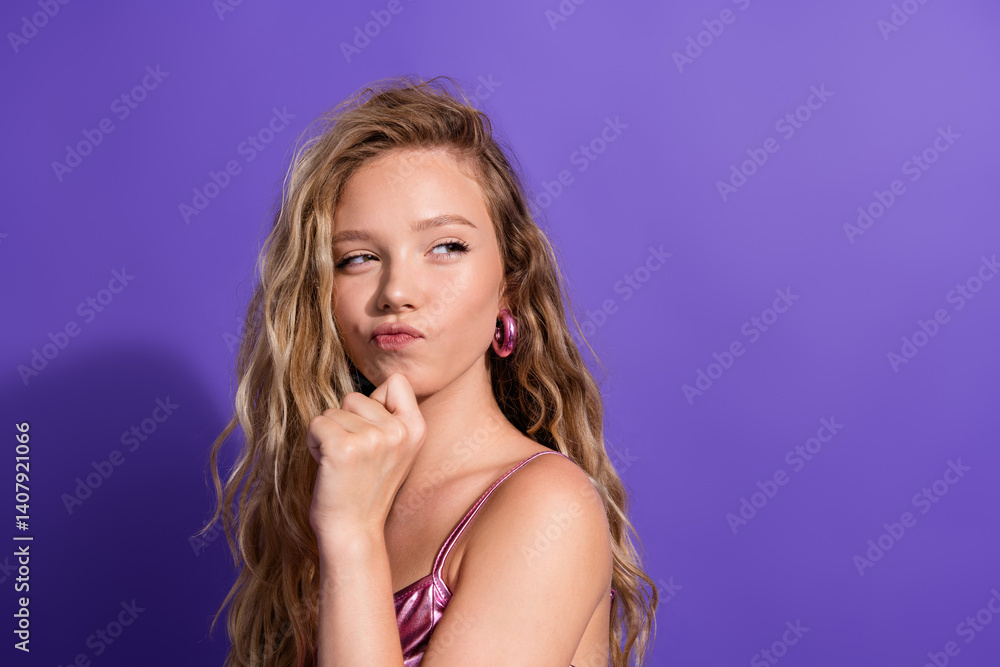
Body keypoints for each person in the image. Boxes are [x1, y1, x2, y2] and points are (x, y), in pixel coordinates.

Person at [202, 74, 657, 666]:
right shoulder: (331, 490)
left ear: (510, 285)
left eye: (446, 247)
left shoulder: (548, 506)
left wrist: (353, 537)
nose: (397, 290)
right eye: (358, 258)